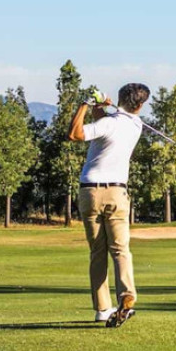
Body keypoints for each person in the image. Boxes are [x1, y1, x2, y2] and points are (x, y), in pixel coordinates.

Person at [68, 82, 150, 327]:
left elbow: (75, 134)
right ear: (141, 104)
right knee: (120, 250)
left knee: (98, 253)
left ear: (120, 98)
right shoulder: (136, 124)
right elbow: (106, 126)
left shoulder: (109, 122)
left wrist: (85, 104)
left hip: (90, 192)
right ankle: (126, 295)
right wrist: (102, 108)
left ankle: (103, 308)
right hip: (117, 193)